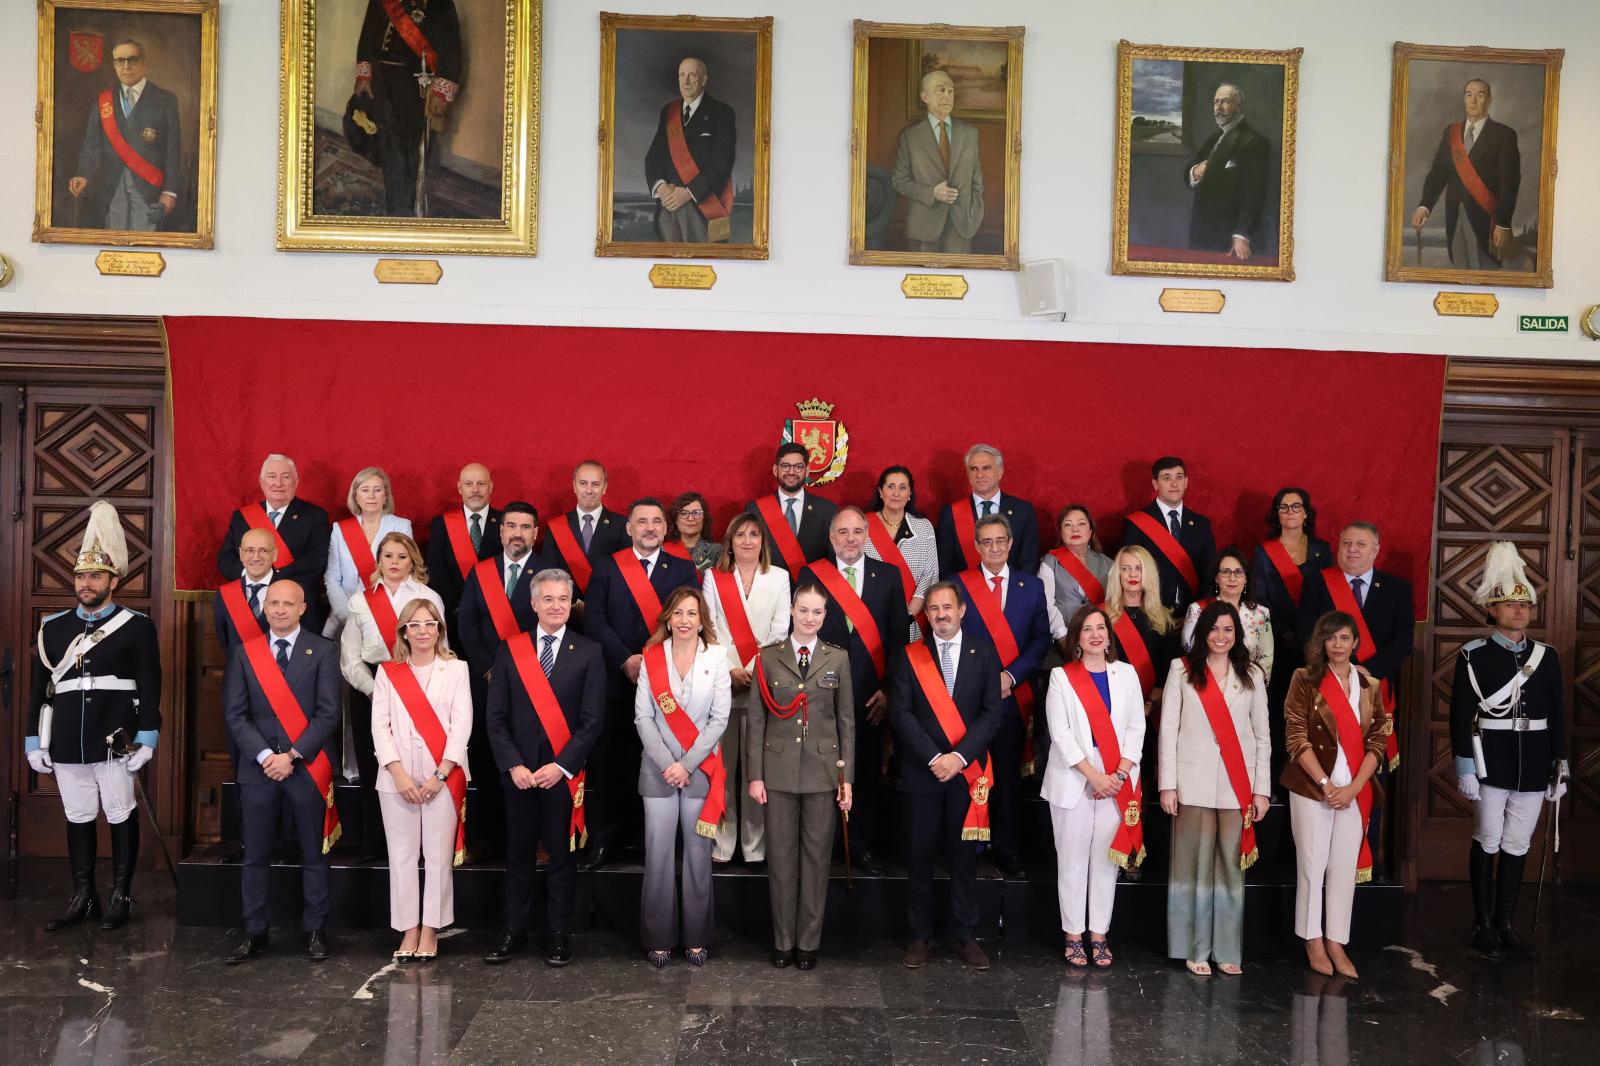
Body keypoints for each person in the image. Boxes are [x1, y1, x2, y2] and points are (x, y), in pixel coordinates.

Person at [25, 502, 161, 932]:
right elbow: (40, 689)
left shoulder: (136, 626)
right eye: (81, 576)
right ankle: (83, 896)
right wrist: (33, 741)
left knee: (120, 812)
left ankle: (121, 895)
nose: (86, 583)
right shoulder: (53, 627)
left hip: (114, 736)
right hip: (67, 737)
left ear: (113, 580)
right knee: (79, 814)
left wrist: (149, 736)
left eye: (96, 576)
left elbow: (151, 685)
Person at [484, 570, 605, 968]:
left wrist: (562, 766)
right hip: (519, 775)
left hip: (562, 776)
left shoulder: (589, 652)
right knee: (518, 854)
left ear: (572, 604)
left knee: (561, 857)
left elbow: (592, 720)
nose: (557, 606)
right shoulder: (510, 649)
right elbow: (496, 717)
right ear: (533, 604)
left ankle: (558, 932)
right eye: (548, 599)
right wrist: (513, 765)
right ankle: (513, 930)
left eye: (563, 599)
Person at [1450, 543, 1565, 958]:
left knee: (1517, 843)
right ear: (1492, 610)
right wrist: (1465, 765)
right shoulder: (1474, 656)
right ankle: (1482, 923)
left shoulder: (1546, 657)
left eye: (1525, 605)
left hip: (1534, 762)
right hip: (1491, 760)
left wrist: (1560, 765)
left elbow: (1557, 713)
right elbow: (1461, 714)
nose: (1519, 611)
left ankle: (1506, 924)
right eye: (1510, 604)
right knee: (1488, 838)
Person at [222, 580, 342, 964]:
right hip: (258, 770)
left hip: (306, 767)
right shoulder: (245, 653)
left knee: (313, 853)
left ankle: (315, 930)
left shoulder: (323, 650)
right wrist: (265, 756)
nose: (279, 609)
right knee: (255, 855)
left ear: (302, 608)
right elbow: (236, 715)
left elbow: (328, 713)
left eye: (287, 603)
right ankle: (254, 931)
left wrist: (292, 755)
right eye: (273, 602)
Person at [891, 582, 1003, 970]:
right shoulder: (910, 655)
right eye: (934, 609)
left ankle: (965, 934)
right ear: (927, 615)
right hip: (923, 771)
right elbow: (901, 713)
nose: (941, 614)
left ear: (962, 610)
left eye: (947, 607)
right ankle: (919, 936)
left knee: (963, 858)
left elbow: (992, 713)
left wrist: (958, 757)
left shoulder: (983, 653)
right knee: (920, 855)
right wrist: (935, 757)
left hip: (967, 773)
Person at [584, 498, 700, 869]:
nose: (650, 528)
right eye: (642, 521)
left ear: (665, 529)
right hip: (615, 681)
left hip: (665, 682)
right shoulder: (606, 567)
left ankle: (650, 843)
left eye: (656, 522)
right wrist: (625, 659)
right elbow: (594, 619)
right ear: (629, 528)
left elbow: (687, 619)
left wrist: (649, 661)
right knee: (610, 764)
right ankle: (605, 842)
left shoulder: (682, 568)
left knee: (659, 763)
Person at [1159, 602, 1271, 976]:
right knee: (1191, 867)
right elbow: (1168, 731)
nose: (1221, 636)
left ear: (1237, 635)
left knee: (1230, 869)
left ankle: (1226, 949)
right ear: (1202, 632)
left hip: (1237, 786)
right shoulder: (1181, 670)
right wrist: (1167, 785)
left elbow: (1262, 737)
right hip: (1191, 783)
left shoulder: (1251, 674)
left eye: (1228, 630)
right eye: (1214, 629)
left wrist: (1261, 790)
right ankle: (1194, 948)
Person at [798, 507, 910, 874]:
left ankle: (859, 842)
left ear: (867, 536)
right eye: (843, 532)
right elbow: (801, 633)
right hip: (820, 694)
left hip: (870, 696)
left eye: (857, 531)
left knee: (864, 769)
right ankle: (822, 841)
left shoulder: (888, 576)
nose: (850, 538)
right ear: (831, 537)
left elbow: (899, 639)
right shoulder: (812, 574)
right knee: (819, 769)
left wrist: (889, 690)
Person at [746, 583, 852, 970]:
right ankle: (783, 941)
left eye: (817, 612)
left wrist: (847, 779)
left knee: (816, 860)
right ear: (791, 610)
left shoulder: (837, 658)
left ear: (825, 615)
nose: (809, 618)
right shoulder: (768, 657)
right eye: (803, 610)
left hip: (823, 774)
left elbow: (846, 723)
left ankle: (808, 943)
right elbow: (757, 721)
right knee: (781, 860)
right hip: (777, 772)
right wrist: (755, 776)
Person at [1296, 521, 1413, 862]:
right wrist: (1334, 672)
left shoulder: (1396, 588)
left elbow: (1403, 641)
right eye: (1346, 543)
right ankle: (1321, 856)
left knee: (1368, 770)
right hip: (1326, 693)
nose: (1352, 549)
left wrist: (1367, 672)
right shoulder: (1318, 582)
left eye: (1361, 544)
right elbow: (1306, 633)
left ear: (1376, 550)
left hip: (1373, 693)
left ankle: (1366, 856)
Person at [1282, 611, 1388, 980]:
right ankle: (1312, 939)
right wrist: (1327, 785)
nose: (1338, 645)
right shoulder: (1305, 678)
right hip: (1313, 787)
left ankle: (1336, 940)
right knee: (1312, 866)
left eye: (1344, 638)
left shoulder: (1369, 684)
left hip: (1354, 790)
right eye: (1331, 638)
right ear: (1321, 642)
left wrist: (1354, 788)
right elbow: (1296, 736)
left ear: (1355, 642)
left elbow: (1378, 740)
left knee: (1343, 869)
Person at [1041, 606, 1145, 969]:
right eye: (1088, 629)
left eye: (1101, 628)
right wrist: (1094, 776)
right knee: (1072, 860)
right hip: (1075, 777)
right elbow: (1061, 734)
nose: (1096, 635)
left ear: (1109, 637)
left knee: (1105, 860)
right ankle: (1073, 935)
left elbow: (1136, 728)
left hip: (1118, 777)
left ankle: (1099, 934)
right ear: (1077, 638)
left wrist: (1118, 775)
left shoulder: (1127, 674)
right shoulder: (1061, 677)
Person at [634, 587, 732, 967]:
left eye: (692, 613)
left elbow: (719, 719)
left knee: (697, 856)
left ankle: (696, 937)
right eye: (678, 613)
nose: (685, 620)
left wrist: (687, 764)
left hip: (700, 770)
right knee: (658, 855)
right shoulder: (651, 657)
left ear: (701, 620)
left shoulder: (717, 657)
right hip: (658, 771)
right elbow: (643, 717)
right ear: (668, 618)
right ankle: (658, 937)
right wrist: (668, 764)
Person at [370, 598, 471, 962]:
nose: (423, 631)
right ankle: (408, 927)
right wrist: (397, 773)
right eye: (415, 625)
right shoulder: (388, 672)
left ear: (439, 629)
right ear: (404, 632)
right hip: (396, 779)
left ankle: (431, 928)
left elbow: (462, 724)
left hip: (442, 776)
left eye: (430, 624)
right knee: (401, 856)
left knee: (438, 856)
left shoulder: (456, 669)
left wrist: (441, 773)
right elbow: (380, 727)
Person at [951, 514, 1051, 877]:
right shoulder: (958, 584)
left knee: (1007, 778)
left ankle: (1007, 849)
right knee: (970, 773)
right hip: (969, 699)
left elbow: (1040, 639)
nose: (993, 548)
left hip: (1012, 697)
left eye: (1000, 541)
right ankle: (969, 847)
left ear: (1010, 544)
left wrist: (1010, 676)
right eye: (986, 542)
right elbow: (949, 636)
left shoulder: (1031, 586)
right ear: (976, 547)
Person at [340, 533, 445, 862]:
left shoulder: (428, 597)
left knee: (416, 767)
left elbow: (441, 649)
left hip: (420, 692)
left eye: (402, 556)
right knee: (375, 768)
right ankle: (374, 844)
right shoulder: (360, 600)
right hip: (371, 690)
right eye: (388, 556)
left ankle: (420, 846)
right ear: (379, 561)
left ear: (413, 560)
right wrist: (377, 691)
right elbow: (349, 658)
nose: (394, 562)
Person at [455, 501, 544, 860]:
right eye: (511, 526)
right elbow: (467, 624)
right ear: (501, 530)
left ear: (535, 533)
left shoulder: (548, 572)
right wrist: (488, 668)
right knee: (486, 759)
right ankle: (487, 840)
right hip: (486, 681)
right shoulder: (482, 572)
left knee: (530, 759)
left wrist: (517, 671)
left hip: (534, 682)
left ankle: (532, 841)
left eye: (525, 527)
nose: (518, 533)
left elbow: (550, 626)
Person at [702, 513, 791, 865]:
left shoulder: (779, 577)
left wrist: (752, 670)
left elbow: (780, 631)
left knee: (756, 770)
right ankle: (722, 844)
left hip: (761, 682)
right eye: (740, 534)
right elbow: (708, 628)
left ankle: (755, 848)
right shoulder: (714, 577)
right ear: (730, 542)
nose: (747, 541)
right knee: (722, 770)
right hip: (723, 682)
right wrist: (730, 669)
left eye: (754, 534)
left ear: (763, 541)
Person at [1250, 487, 1332, 781]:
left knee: (1312, 712)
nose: (1290, 512)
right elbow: (1260, 600)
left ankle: (1311, 776)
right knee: (1278, 710)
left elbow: (1330, 594)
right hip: (1279, 643)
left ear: (1306, 512)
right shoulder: (1264, 552)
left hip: (1315, 645)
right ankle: (1276, 777)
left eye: (1296, 506)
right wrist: (1285, 633)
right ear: (1276, 514)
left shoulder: (1322, 549)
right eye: (1283, 507)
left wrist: (1312, 638)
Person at [353, 0, 462, 216]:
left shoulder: (440, 3)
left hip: (415, 85)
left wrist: (441, 92)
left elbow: (451, 47)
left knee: (412, 148)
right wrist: (364, 76)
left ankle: (410, 207)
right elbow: (368, 36)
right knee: (387, 145)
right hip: (382, 81)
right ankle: (395, 204)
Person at [66, 38, 180, 231]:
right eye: (120, 61)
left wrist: (169, 192)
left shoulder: (165, 100)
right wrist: (84, 173)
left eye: (132, 60)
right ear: (114, 65)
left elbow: (173, 150)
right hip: (111, 190)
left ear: (144, 63)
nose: (126, 66)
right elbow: (92, 144)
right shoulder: (103, 101)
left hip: (149, 190)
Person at [1411, 79, 1521, 271]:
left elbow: (1509, 182)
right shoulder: (1451, 133)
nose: (1473, 100)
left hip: (1487, 220)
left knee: (1486, 271)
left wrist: (1503, 224)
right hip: (1455, 216)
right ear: (1464, 98)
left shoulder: (1504, 135)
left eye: (1480, 95)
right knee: (1459, 268)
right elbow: (1438, 173)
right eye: (1469, 95)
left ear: (1489, 100)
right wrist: (1424, 206)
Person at [217, 454, 331, 632]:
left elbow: (316, 560)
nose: (278, 483)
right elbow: (226, 558)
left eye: (285, 477)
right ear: (261, 481)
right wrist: (253, 576)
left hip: (296, 608)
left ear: (296, 482)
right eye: (272, 476)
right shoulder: (241, 517)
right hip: (247, 604)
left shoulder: (315, 516)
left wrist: (271, 578)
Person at [644, 57, 737, 243]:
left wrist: (689, 192)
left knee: (704, 258)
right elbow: (653, 156)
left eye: (692, 75)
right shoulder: (668, 112)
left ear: (703, 80)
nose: (685, 82)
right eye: (682, 75)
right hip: (667, 206)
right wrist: (661, 187)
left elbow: (722, 163)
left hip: (702, 207)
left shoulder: (722, 112)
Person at [891, 69, 984, 254]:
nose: (947, 96)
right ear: (925, 97)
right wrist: (932, 193)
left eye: (951, 91)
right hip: (923, 229)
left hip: (961, 229)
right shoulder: (910, 137)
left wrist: (973, 216)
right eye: (941, 90)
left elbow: (977, 183)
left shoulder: (969, 134)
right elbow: (899, 181)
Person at [325, 466, 414, 637]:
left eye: (377, 490)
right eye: (365, 490)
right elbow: (332, 577)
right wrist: (347, 616)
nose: (371, 496)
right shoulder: (340, 529)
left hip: (389, 612)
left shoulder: (402, 526)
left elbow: (404, 573)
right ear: (356, 497)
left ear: (385, 496)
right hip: (346, 615)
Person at [1121, 456, 1215, 613]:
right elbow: (1131, 573)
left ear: (1186, 482)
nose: (1174, 483)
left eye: (1179, 477)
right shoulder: (1136, 524)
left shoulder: (1201, 524)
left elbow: (1209, 575)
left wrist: (1196, 612)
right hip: (1151, 613)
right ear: (1155, 484)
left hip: (1193, 614)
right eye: (1167, 478)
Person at [1185, 84, 1269, 259]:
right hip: (1202, 232)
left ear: (1238, 106)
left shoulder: (1254, 142)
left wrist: (1241, 234)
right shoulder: (1214, 138)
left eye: (1225, 101)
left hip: (1229, 237)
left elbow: (1254, 193)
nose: (1218, 107)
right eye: (1216, 102)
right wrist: (1195, 171)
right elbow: (1189, 172)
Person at [935, 444, 1041, 580]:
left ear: (1000, 472)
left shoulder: (1023, 511)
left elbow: (1029, 561)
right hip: (965, 591)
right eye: (973, 469)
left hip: (1014, 589)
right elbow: (946, 566)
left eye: (986, 468)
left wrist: (1015, 590)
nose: (979, 475)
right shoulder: (950, 513)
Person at [423, 462, 502, 637]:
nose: (475, 490)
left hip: (498, 614)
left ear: (490, 487)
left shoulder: (506, 522)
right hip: (455, 616)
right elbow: (437, 570)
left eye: (481, 484)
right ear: (459, 488)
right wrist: (459, 607)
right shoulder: (441, 524)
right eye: (468, 484)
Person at [863, 465, 939, 638]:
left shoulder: (924, 527)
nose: (896, 493)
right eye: (890, 486)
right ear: (880, 492)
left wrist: (907, 615)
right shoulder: (862, 526)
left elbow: (930, 575)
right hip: (871, 619)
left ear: (910, 493)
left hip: (913, 621)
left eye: (902, 487)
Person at [1180, 547, 1275, 680]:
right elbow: (1190, 654)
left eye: (1238, 572)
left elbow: (1266, 659)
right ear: (1216, 578)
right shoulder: (1198, 610)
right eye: (1226, 572)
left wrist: (1255, 687)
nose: (1232, 578)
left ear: (1246, 578)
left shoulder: (1261, 614)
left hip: (1247, 685)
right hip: (1206, 684)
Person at [545, 460, 629, 608]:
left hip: (606, 609)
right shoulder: (556, 526)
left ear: (605, 487)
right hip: (564, 610)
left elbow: (625, 574)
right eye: (583, 483)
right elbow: (548, 573)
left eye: (595, 484)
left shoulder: (622, 525)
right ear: (574, 486)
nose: (589, 490)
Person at [745, 442, 838, 575]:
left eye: (798, 466)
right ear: (775, 470)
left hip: (812, 586)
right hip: (769, 585)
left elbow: (833, 560)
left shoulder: (828, 511)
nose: (791, 472)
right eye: (785, 466)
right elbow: (748, 556)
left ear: (807, 471)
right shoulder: (755, 510)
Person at [1103, 545, 1178, 703]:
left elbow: (1169, 667)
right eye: (1126, 568)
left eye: (1139, 568)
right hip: (1112, 699)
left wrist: (1152, 702)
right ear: (1118, 574)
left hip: (1153, 704)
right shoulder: (1102, 616)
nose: (1132, 574)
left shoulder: (1164, 617)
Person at [1040, 504, 1114, 640]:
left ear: (1090, 531)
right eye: (1068, 525)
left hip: (1100, 637)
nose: (1075, 529)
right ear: (1061, 532)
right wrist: (1063, 637)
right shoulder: (1049, 562)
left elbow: (1114, 602)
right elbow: (1046, 604)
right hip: (1065, 637)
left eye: (1081, 524)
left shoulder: (1107, 563)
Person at [667, 491, 722, 570]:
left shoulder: (717, 551)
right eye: (684, 513)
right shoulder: (663, 551)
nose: (690, 518)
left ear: (704, 518)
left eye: (696, 513)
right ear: (675, 518)